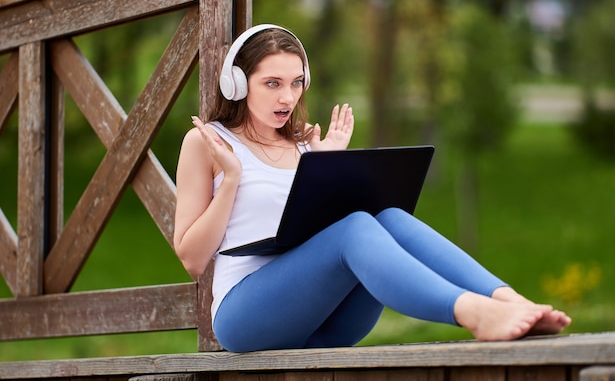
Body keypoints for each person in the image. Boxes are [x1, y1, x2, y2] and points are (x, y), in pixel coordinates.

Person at [174, 24, 571, 353]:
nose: (287, 97)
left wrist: (325, 165)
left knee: (390, 218)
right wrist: (231, 180)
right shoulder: (208, 142)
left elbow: (313, 236)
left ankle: (508, 300)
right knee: (356, 228)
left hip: (328, 325)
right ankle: (474, 313)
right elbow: (192, 258)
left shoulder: (304, 145)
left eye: (296, 83)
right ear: (238, 85)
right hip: (246, 317)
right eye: (272, 83)